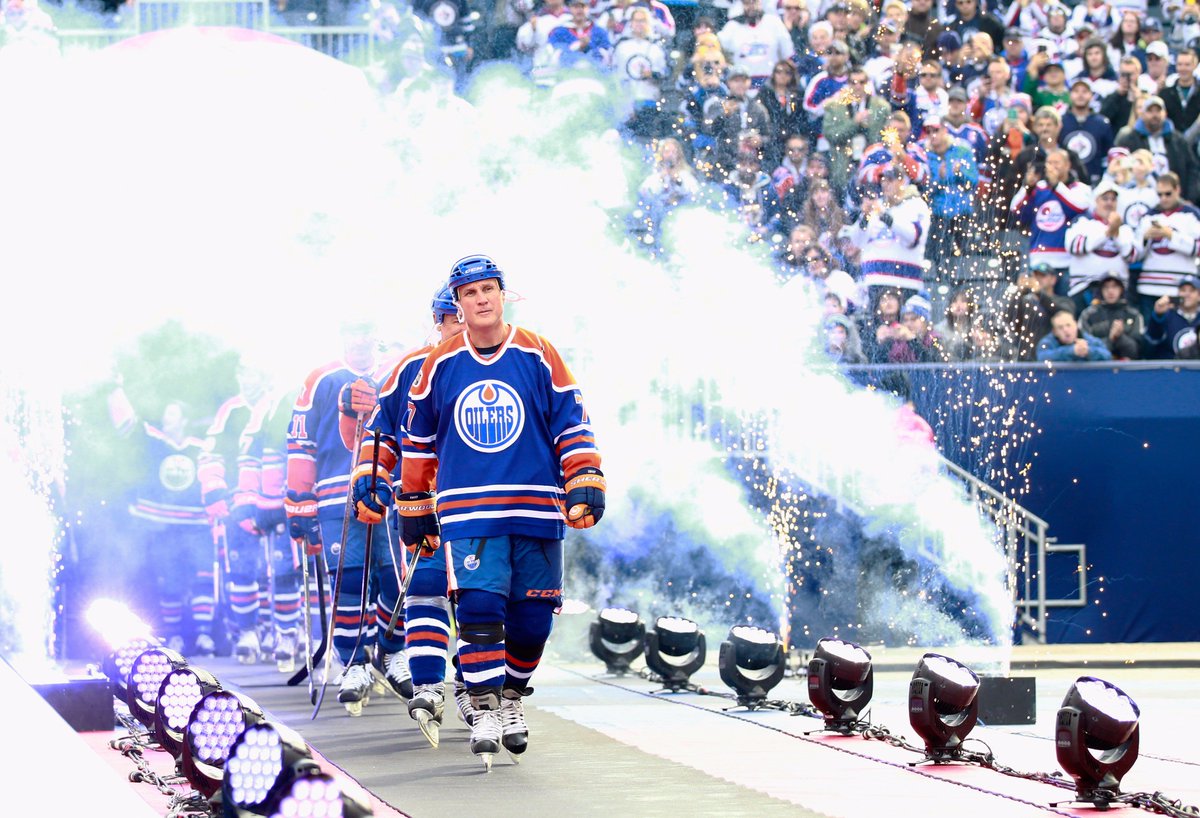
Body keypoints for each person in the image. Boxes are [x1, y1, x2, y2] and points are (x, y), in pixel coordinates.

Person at [398, 255, 605, 770]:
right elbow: (418, 439)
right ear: (459, 303)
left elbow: (571, 420)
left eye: (490, 289)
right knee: (479, 612)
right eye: (471, 293)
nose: (482, 299)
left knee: (532, 621)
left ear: (502, 294)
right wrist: (414, 504)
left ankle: (511, 696)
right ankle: (485, 705)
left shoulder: (538, 353)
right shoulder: (439, 364)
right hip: (470, 514)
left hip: (536, 508)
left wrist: (584, 475)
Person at [351, 288, 467, 745]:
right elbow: (380, 432)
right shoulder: (407, 368)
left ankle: (471, 685)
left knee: (479, 600)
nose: (464, 326)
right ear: (439, 320)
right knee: (424, 590)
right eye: (453, 318)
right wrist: (371, 478)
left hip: (481, 502)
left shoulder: (507, 358)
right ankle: (427, 686)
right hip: (420, 501)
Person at [285, 322, 408, 716]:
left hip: (391, 490)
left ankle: (391, 652)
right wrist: (300, 503)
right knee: (348, 580)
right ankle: (353, 664)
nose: (359, 340)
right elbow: (301, 444)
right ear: (341, 336)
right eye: (352, 332)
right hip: (338, 496)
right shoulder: (319, 379)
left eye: (365, 332)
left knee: (397, 579)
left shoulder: (398, 371)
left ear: (377, 336)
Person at [111, 394, 214, 656]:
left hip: (196, 523)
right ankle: (175, 636)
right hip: (163, 526)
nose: (166, 420)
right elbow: (127, 424)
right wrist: (117, 391)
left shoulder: (202, 447)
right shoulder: (154, 441)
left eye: (171, 415)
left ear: (183, 421)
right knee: (170, 582)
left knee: (202, 579)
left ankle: (204, 635)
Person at [198, 365, 269, 663]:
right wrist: (214, 489)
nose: (247, 378)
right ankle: (248, 631)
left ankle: (282, 631)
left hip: (274, 499)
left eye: (252, 372)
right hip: (238, 501)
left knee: (279, 569)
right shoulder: (230, 410)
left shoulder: (278, 403)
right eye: (242, 372)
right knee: (241, 568)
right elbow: (211, 452)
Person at [1010, 147, 1093, 291]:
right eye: (1049, 163)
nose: (1051, 167)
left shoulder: (1080, 188)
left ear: (1068, 165)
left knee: (1064, 308)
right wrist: (1027, 187)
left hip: (1067, 262)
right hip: (1038, 261)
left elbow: (1078, 207)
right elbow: (1015, 210)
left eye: (1056, 163)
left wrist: (1056, 185)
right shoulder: (1038, 188)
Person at [851, 163, 932, 295]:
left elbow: (913, 237)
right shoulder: (876, 205)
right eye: (883, 180)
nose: (885, 184)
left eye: (890, 180)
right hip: (874, 279)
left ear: (902, 181)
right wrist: (864, 217)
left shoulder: (916, 204)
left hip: (904, 280)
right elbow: (857, 242)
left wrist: (885, 217)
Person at [1133, 172, 1200, 320]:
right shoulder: (1148, 216)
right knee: (1152, 333)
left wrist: (1171, 235)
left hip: (1181, 288)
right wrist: (1145, 238)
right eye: (1160, 194)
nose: (1163, 198)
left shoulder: (1192, 215)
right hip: (1149, 287)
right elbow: (1134, 254)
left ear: (1178, 190)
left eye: (1168, 194)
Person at [1064, 179, 1137, 310]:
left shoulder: (1125, 228)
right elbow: (1075, 246)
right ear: (1096, 201)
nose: (1109, 203)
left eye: (1113, 199)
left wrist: (1116, 234)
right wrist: (1108, 232)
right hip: (1085, 287)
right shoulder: (1082, 222)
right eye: (1105, 198)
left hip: (1117, 292)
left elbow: (1132, 255)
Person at [823, 67, 892, 197]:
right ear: (847, 84)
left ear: (867, 83)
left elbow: (885, 138)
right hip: (843, 164)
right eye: (853, 82)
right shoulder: (834, 106)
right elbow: (831, 135)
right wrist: (854, 123)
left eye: (862, 82)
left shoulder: (882, 107)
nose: (858, 86)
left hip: (872, 164)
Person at [1116, 96, 1200, 203]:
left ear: (1165, 113)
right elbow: (1122, 168)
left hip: (1176, 198)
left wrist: (1190, 198)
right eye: (1150, 111)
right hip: (1141, 198)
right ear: (1142, 114)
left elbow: (1192, 169)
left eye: (1158, 111)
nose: (1154, 115)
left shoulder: (1178, 140)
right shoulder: (1129, 140)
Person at [717, 0, 793, 86]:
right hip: (742, 87)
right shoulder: (732, 26)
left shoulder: (773, 23)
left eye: (754, 2)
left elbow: (788, 55)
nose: (751, 6)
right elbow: (717, 49)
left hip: (771, 87)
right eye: (747, 3)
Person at [1077, 274, 1144, 359]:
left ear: (1121, 289)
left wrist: (1120, 337)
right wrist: (1110, 339)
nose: (1110, 291)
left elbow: (1137, 352)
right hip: (1096, 367)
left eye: (1114, 287)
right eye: (1106, 287)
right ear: (1100, 290)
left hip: (1128, 368)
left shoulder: (1134, 315)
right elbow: (1086, 350)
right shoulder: (1088, 314)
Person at [1144, 274, 1200, 358]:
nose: (1187, 294)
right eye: (1183, 290)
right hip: (1169, 368)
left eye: (1192, 291)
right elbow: (1151, 342)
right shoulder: (1167, 315)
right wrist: (1157, 316)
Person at [1035, 308, 1114, 361]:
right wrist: (1071, 351)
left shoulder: (1087, 339)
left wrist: (1088, 351)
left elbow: (1107, 355)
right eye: (1060, 327)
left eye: (1068, 325)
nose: (1065, 330)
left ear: (1076, 325)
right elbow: (1042, 357)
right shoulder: (1047, 342)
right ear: (1055, 331)